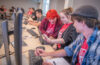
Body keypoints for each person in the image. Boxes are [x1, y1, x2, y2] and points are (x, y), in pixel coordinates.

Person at [35, 5, 100, 65]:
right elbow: (68, 50)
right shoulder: (82, 36)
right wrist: (46, 53)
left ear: (83, 22)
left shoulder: (98, 43)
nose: (73, 24)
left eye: (74, 22)